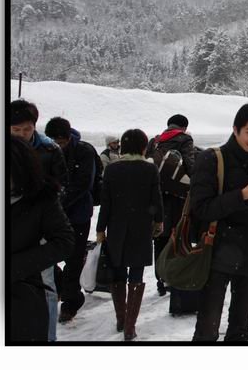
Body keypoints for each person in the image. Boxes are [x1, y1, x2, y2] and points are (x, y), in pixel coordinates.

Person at [189, 103, 248, 341]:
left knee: (240, 329)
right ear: (236, 129)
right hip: (217, 257)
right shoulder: (212, 159)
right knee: (207, 328)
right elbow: (201, 208)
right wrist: (242, 195)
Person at [95, 128, 163, 340]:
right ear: (144, 147)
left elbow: (105, 203)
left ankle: (121, 318)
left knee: (118, 272)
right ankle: (130, 327)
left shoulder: (113, 170)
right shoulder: (149, 169)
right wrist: (159, 220)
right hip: (141, 228)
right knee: (136, 274)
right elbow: (156, 199)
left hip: (116, 228)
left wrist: (100, 228)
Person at [9, 100, 69, 340]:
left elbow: (62, 186)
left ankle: (48, 337)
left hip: (38, 234)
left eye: (27, 129)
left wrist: (46, 217)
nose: (23, 134)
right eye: (16, 129)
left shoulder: (49, 150)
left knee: (47, 288)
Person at [44, 116, 99, 324]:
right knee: (47, 256)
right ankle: (64, 289)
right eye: (54, 141)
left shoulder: (83, 151)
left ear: (69, 138)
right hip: (50, 214)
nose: (58, 146)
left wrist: (59, 202)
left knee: (74, 258)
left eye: (62, 142)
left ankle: (69, 302)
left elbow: (83, 183)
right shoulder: (44, 150)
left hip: (78, 214)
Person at [147, 114, 197, 298]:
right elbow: (191, 164)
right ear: (184, 127)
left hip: (157, 196)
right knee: (177, 235)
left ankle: (160, 279)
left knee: (160, 236)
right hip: (177, 197)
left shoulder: (155, 141)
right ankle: (173, 276)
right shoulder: (184, 139)